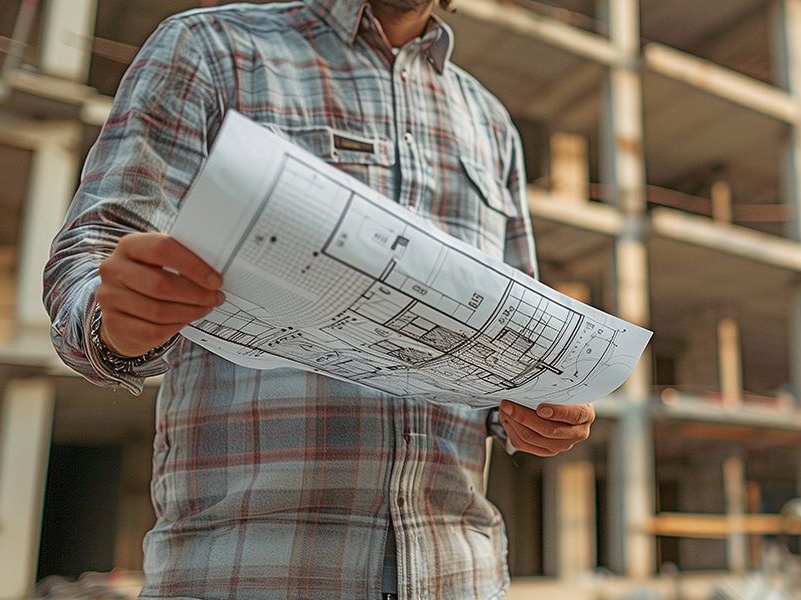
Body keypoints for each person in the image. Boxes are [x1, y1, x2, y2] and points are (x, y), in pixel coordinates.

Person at [42, 0, 596, 598]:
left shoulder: (491, 124)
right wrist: (115, 322)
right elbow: (90, 257)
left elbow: (509, 352)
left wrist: (531, 412)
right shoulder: (210, 49)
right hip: (251, 576)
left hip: (460, 575)